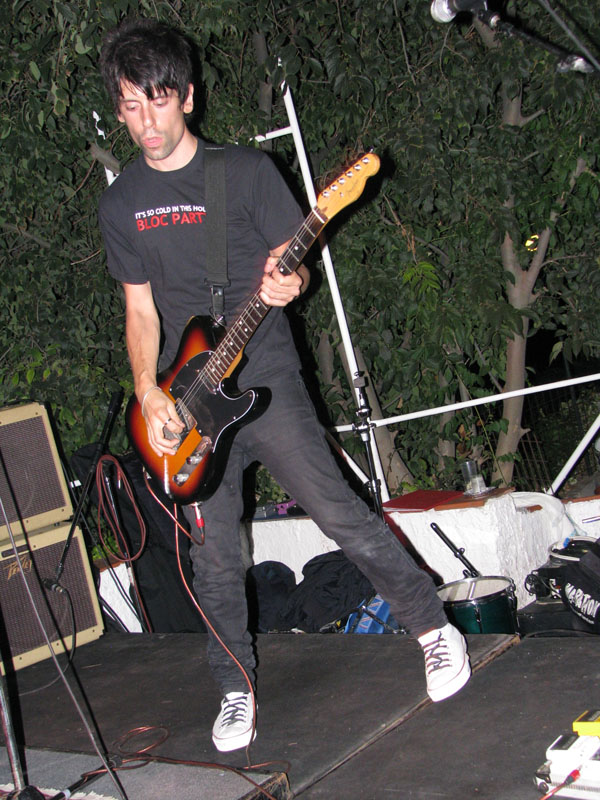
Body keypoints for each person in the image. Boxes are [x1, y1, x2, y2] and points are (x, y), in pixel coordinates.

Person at [98, 18, 471, 754]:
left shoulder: (243, 173)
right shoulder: (121, 204)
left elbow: (293, 264)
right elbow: (140, 310)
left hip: (264, 375)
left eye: (158, 102)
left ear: (188, 97)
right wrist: (147, 390)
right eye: (131, 107)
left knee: (340, 511)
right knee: (214, 558)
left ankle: (433, 628)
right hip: (185, 404)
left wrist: (289, 283)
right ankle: (234, 685)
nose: (146, 123)